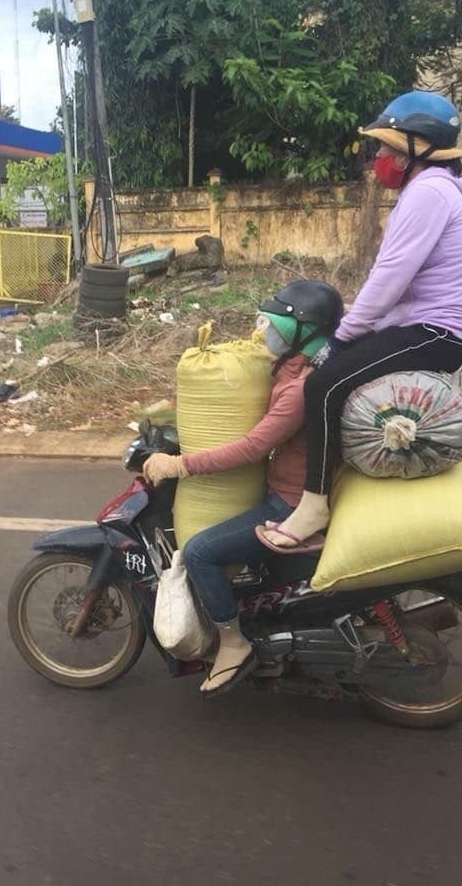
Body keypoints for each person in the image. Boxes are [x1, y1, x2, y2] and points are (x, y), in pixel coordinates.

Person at [256, 90, 462, 553]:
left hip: (432, 335)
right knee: (335, 380)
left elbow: (388, 281)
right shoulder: (436, 190)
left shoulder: (428, 193)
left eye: (388, 148)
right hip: (425, 329)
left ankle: (313, 507)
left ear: (419, 147)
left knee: (321, 386)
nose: (379, 158)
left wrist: (339, 341)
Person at [143, 280, 343, 697]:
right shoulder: (293, 373)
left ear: (300, 332)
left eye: (273, 324)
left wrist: (178, 463)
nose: (265, 330)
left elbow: (253, 447)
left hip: (289, 503)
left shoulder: (299, 390)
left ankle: (233, 644)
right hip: (287, 493)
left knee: (200, 551)